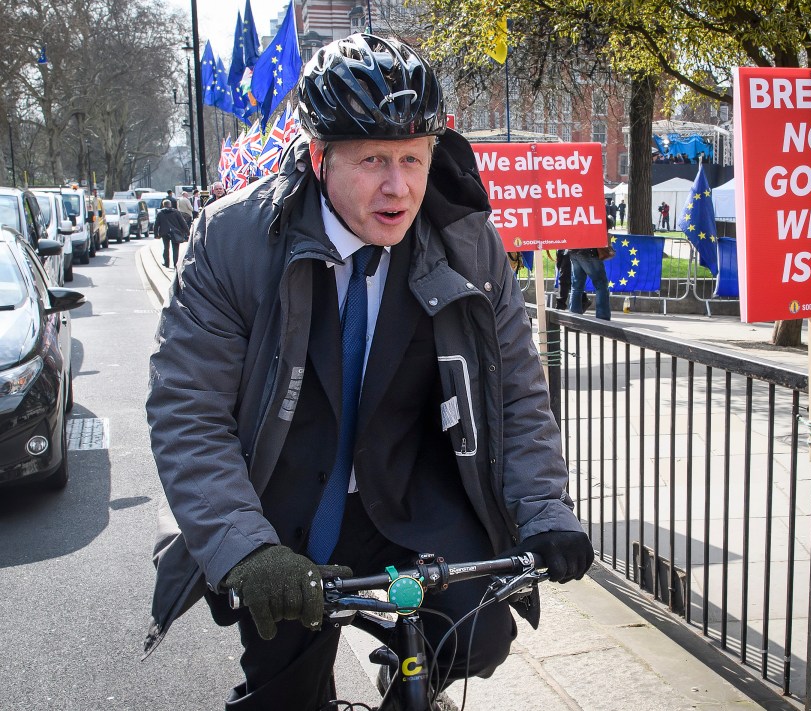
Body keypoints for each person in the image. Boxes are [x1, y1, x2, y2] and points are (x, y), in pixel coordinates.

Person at [143, 32, 594, 710]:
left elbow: (517, 396)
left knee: (482, 632)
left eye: (413, 159)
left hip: (409, 499)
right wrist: (245, 548)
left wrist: (546, 512)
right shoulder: (231, 241)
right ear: (319, 156)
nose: (399, 185)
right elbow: (188, 409)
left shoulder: (470, 245)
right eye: (374, 159)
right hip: (283, 513)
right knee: (284, 695)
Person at [568, 216, 613, 320]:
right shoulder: (592, 206)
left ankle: (574, 317)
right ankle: (603, 318)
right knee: (601, 285)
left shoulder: (574, 207)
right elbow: (608, 222)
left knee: (577, 286)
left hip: (574, 249)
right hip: (590, 250)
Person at [153, 198, 189, 268]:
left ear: (163, 205)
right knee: (175, 248)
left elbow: (156, 224)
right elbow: (183, 222)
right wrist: (187, 232)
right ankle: (175, 263)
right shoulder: (176, 212)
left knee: (166, 248)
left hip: (164, 232)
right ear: (170, 205)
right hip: (175, 233)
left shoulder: (160, 213)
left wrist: (156, 234)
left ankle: (166, 263)